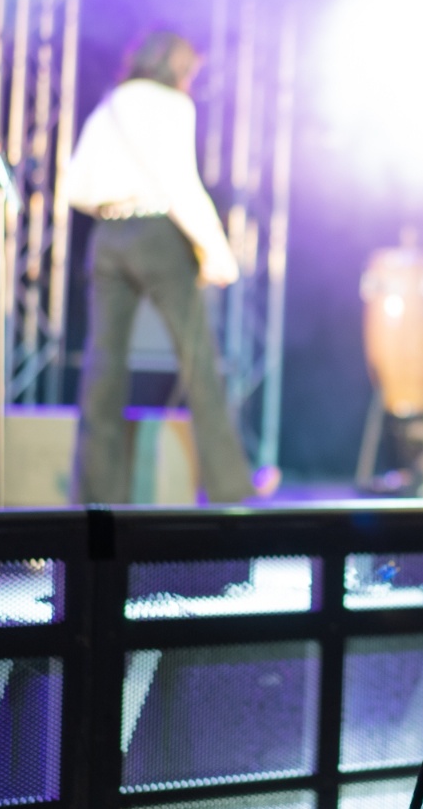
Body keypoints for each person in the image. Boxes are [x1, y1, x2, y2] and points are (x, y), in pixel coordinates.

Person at [60, 30, 277, 504]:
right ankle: (231, 490)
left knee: (102, 370)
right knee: (199, 364)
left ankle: (95, 499)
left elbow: (74, 186)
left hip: (108, 235)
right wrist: (216, 250)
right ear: (178, 67)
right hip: (157, 234)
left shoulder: (112, 103)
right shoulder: (173, 106)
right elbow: (180, 183)